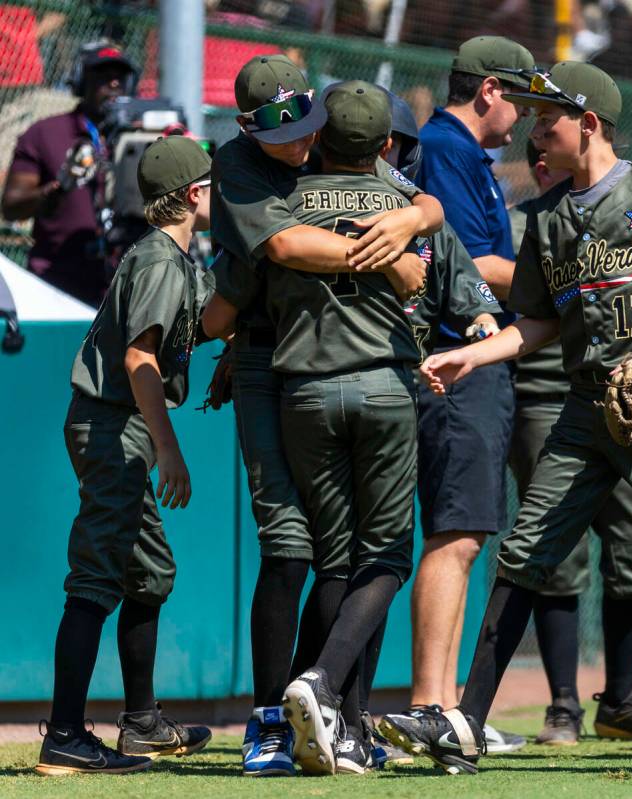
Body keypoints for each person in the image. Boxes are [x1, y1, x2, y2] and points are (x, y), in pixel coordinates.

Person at [381, 61, 632, 778]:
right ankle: (466, 722)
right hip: (583, 409)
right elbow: (536, 321)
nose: (535, 133)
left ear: (588, 123)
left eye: (548, 119)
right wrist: (470, 357)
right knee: (524, 550)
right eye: (533, 118)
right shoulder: (542, 218)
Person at [202, 54, 443, 778]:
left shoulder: (329, 160)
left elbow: (425, 206)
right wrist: (384, 256)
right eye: (284, 133)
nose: (300, 144)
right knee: (291, 548)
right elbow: (277, 247)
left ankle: (332, 711)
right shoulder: (239, 162)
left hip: (306, 364)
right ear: (247, 125)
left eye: (308, 125)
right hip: (263, 362)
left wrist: (412, 215)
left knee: (337, 552)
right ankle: (269, 721)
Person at [35, 136, 214, 776]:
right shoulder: (162, 260)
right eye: (212, 183)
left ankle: (140, 723)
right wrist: (169, 449)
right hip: (116, 424)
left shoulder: (169, 255)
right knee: (96, 576)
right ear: (196, 193)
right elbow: (140, 359)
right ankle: (63, 735)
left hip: (115, 423)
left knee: (150, 570)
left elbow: (206, 319)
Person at [509, 141, 632, 745]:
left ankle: (624, 699)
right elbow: (489, 272)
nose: (543, 160)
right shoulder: (531, 218)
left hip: (623, 396)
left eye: (549, 145)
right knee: (553, 554)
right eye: (534, 152)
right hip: (544, 394)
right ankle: (560, 707)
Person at [398, 34, 534, 754]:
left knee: (464, 534)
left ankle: (444, 707)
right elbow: (472, 260)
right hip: (455, 359)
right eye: (521, 94)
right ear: (489, 90)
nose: (527, 112)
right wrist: (567, 280)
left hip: (471, 360)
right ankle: (430, 703)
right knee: (454, 534)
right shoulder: (445, 149)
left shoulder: (461, 152)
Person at [2, 40, 138, 307]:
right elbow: (12, 206)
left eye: (119, 78)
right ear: (80, 80)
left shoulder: (141, 136)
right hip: (57, 283)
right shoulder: (45, 132)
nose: (113, 85)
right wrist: (57, 188)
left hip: (124, 284)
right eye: (103, 76)